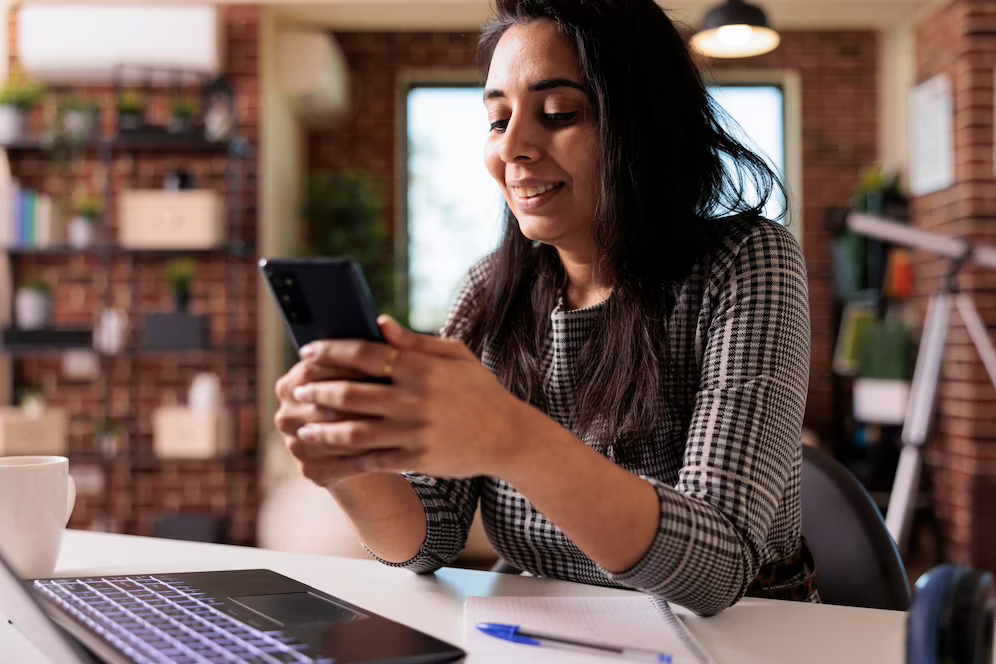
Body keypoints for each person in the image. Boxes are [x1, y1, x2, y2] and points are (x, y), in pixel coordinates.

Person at [275, 0, 813, 617]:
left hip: (744, 638)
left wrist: (508, 436)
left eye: (559, 113)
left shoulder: (747, 262)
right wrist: (349, 462)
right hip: (552, 629)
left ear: (643, 123)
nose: (513, 148)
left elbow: (717, 569)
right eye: (498, 119)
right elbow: (431, 535)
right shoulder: (490, 289)